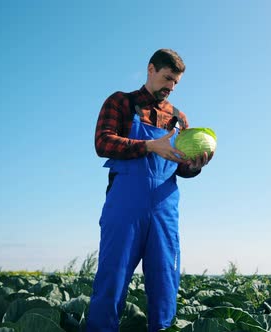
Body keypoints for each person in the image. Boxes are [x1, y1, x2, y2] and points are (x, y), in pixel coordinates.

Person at [86, 49, 212, 332]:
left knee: (165, 281)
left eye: (176, 83)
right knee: (112, 279)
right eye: (167, 78)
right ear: (151, 69)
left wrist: (195, 165)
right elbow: (102, 143)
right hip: (124, 206)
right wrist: (148, 146)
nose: (170, 87)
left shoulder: (179, 120)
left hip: (165, 208)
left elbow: (181, 168)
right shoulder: (121, 102)